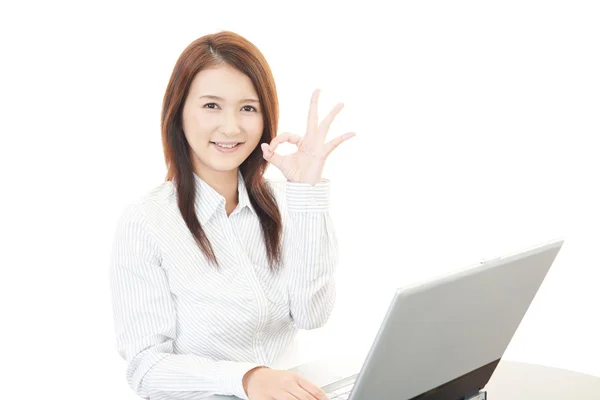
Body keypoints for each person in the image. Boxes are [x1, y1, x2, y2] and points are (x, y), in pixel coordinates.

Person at [109, 30, 355, 400]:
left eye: (248, 108)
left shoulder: (285, 202)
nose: (231, 127)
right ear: (179, 113)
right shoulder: (148, 222)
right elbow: (146, 367)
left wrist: (307, 193)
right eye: (211, 106)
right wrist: (247, 379)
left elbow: (312, 315)